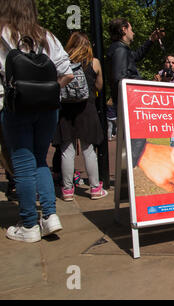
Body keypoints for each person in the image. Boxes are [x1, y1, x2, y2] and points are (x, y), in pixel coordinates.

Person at [0, 0, 74, 243]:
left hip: (16, 108)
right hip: (47, 109)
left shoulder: (1, 33)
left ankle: (29, 224)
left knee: (22, 164)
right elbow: (67, 73)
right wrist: (48, 91)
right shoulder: (46, 36)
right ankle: (50, 216)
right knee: (40, 160)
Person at [53, 31, 107, 201]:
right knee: (88, 150)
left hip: (66, 110)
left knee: (66, 150)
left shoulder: (63, 63)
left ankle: (67, 190)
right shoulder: (94, 63)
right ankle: (95, 188)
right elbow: (99, 86)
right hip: (87, 108)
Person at [106, 18, 164, 118]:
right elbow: (120, 78)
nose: (133, 33)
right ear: (124, 29)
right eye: (131, 29)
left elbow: (137, 56)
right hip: (128, 103)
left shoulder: (120, 49)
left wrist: (151, 40)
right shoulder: (120, 50)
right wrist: (146, 83)